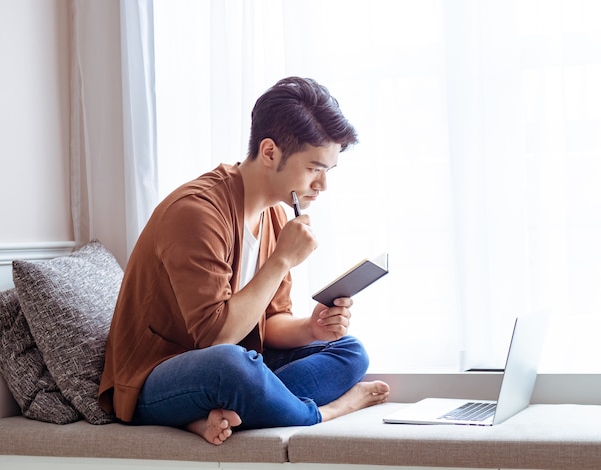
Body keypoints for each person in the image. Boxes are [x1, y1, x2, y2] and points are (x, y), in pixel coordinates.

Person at [98, 77, 390, 445]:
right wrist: (281, 260)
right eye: (315, 168)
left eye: (327, 171)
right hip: (155, 378)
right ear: (270, 152)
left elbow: (270, 321)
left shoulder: (274, 218)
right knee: (231, 365)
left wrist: (312, 329)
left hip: (232, 365)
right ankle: (324, 412)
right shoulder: (196, 212)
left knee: (350, 351)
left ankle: (225, 414)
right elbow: (215, 338)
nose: (322, 185)